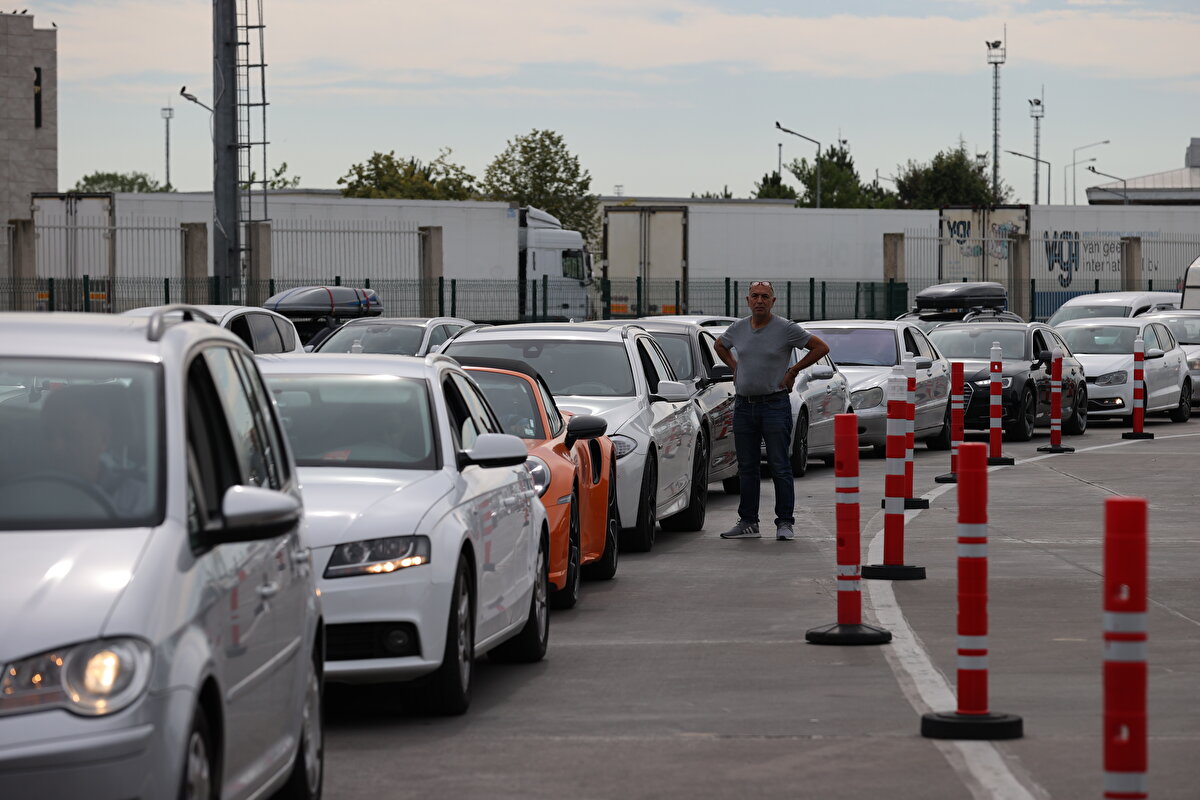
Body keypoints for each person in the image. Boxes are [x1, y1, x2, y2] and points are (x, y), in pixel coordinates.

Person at [713, 280, 830, 541]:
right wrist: (735, 368)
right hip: (744, 405)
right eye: (755, 296)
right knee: (747, 467)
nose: (759, 301)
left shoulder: (785, 328)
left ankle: (785, 522)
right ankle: (748, 522)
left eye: (765, 296)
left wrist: (793, 371)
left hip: (774, 405)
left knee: (779, 465)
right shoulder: (739, 328)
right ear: (747, 300)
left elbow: (821, 347)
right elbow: (720, 345)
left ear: (773, 301)